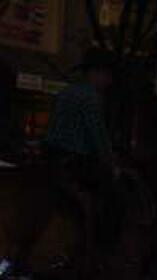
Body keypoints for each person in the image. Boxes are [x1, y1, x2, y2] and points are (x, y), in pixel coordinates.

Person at [45, 47, 122, 241]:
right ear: (95, 73)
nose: (109, 82)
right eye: (107, 75)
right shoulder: (91, 98)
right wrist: (110, 162)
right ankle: (99, 238)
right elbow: (97, 134)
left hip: (51, 155)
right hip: (76, 159)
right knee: (112, 193)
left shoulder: (66, 92)